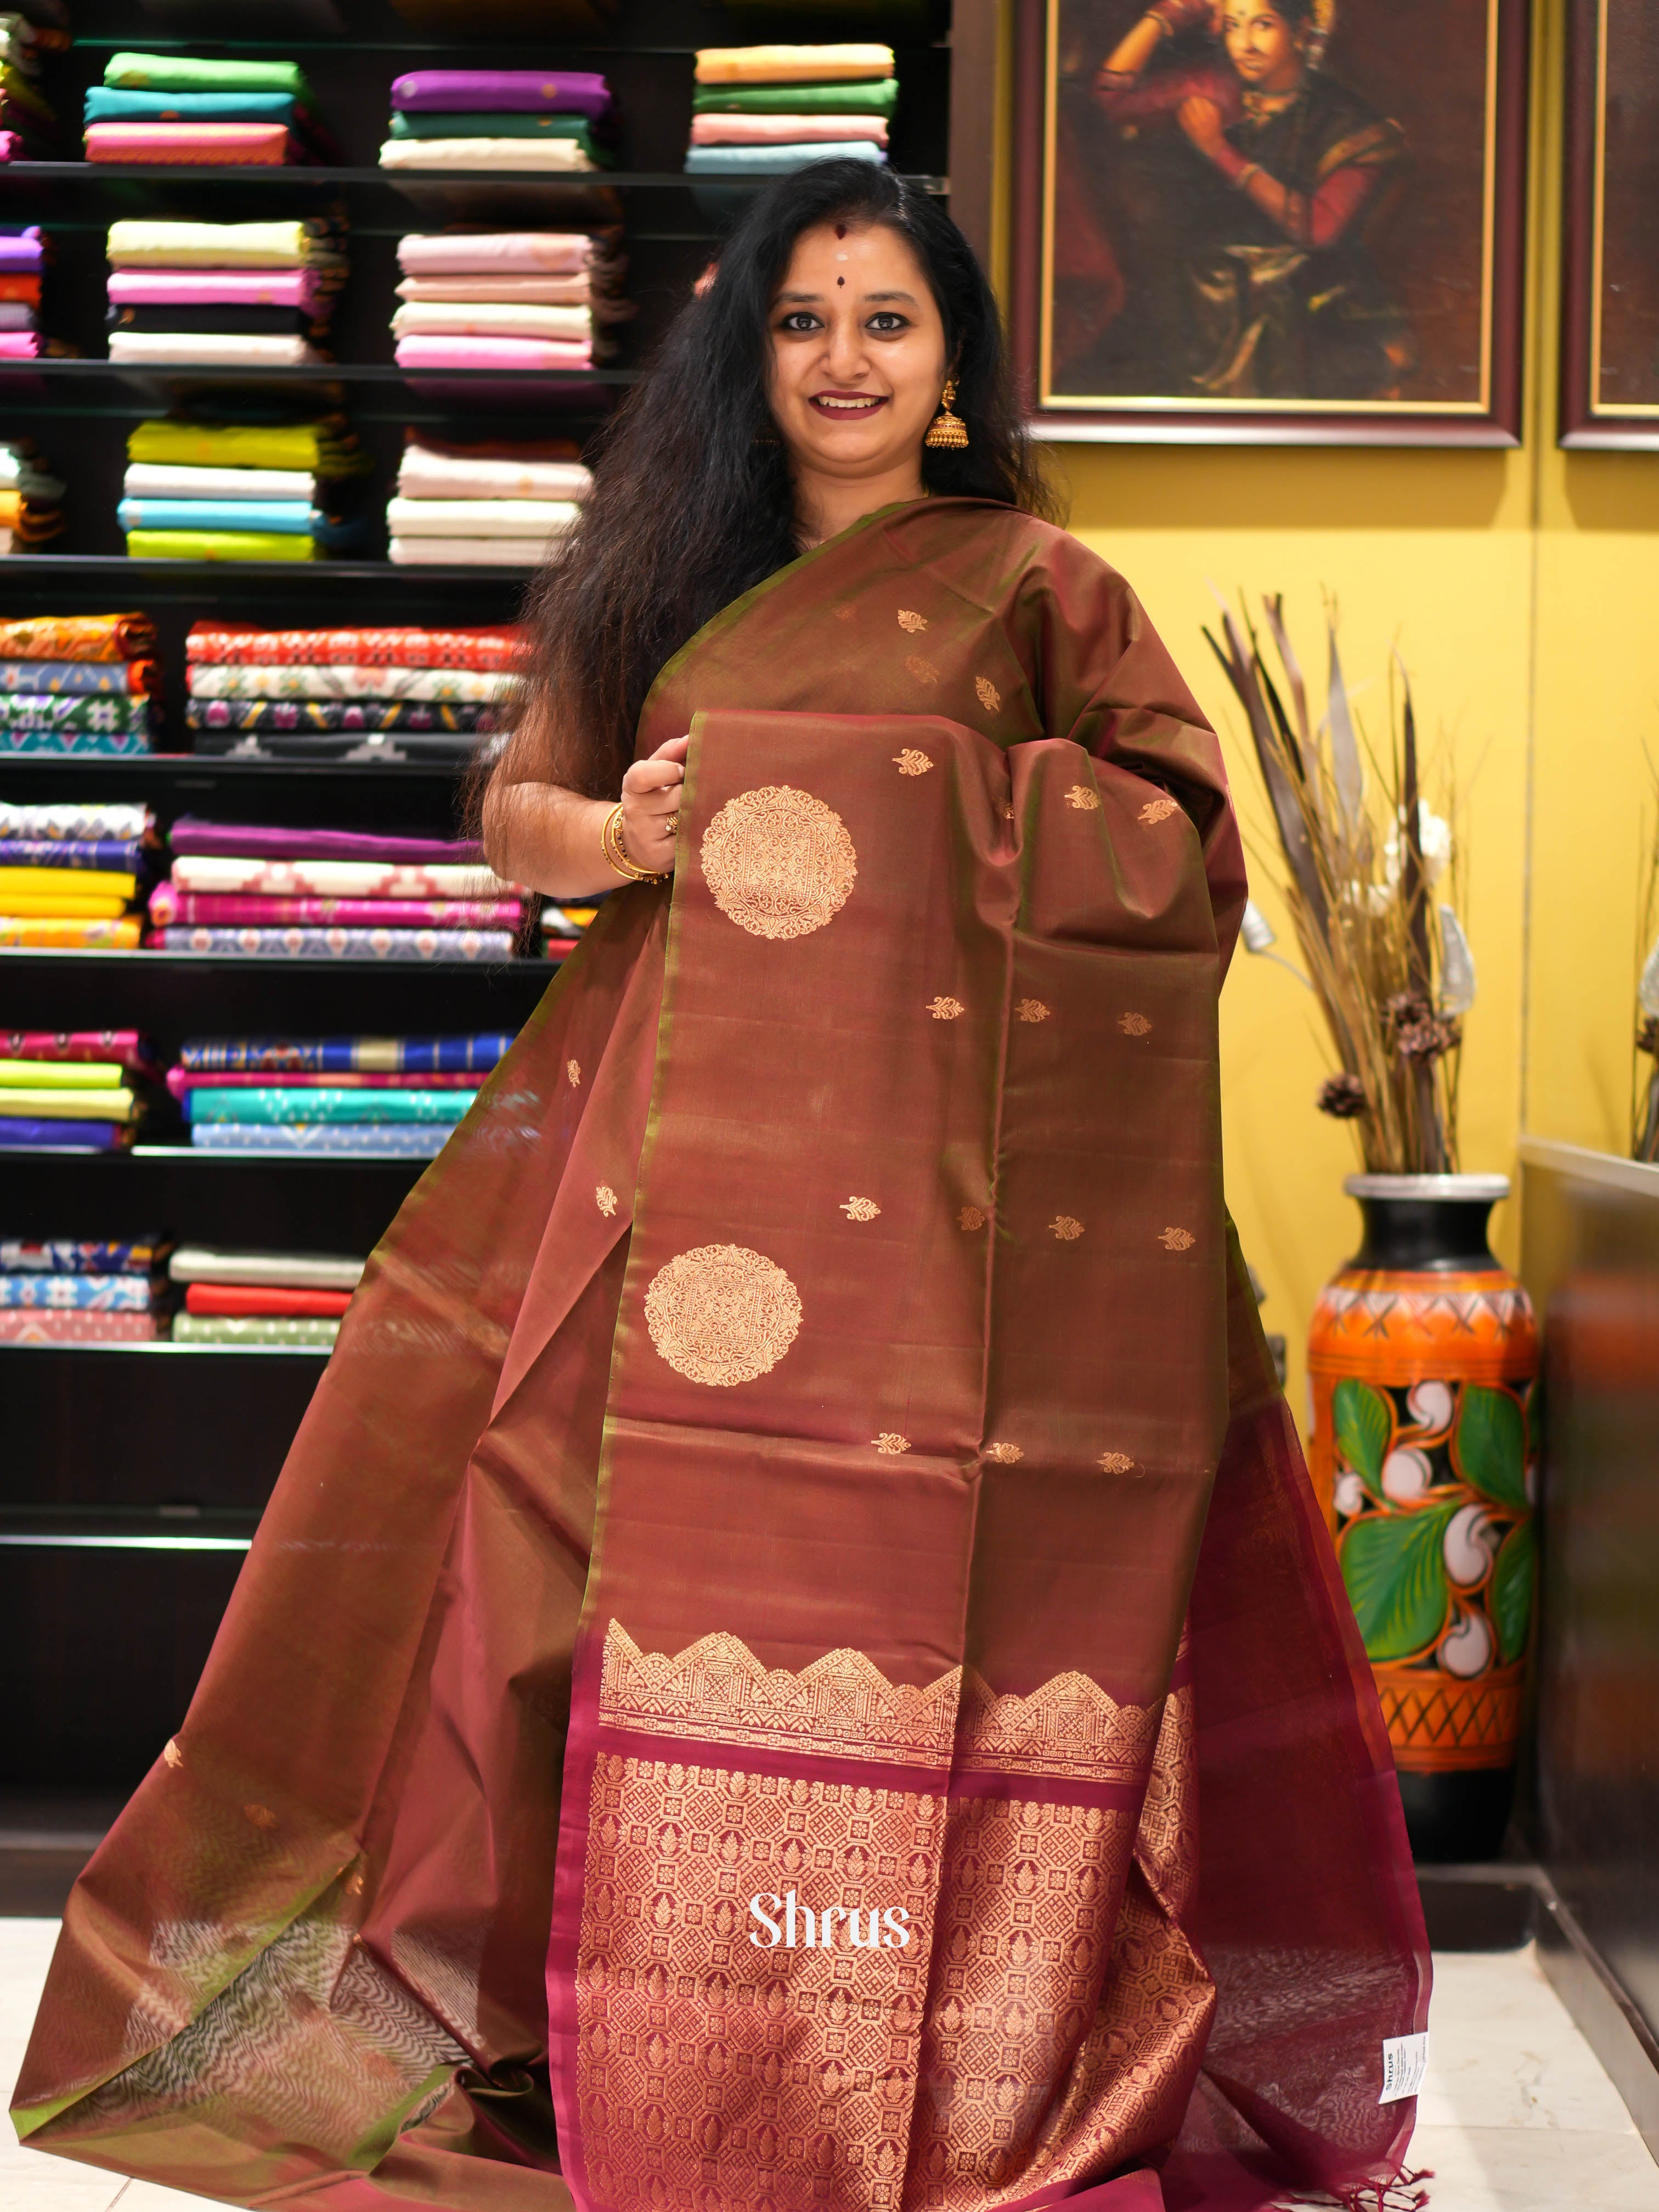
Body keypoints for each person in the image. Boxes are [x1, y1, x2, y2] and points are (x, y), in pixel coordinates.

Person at [14, 162, 1427, 2212]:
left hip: (937, 1213)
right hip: (649, 1160)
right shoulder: (661, 565)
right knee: (531, 1558)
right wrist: (628, 828)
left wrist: (950, 801)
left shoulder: (1035, 587)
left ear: (951, 365)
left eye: (885, 320)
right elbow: (513, 816)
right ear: (747, 351)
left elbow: (1179, 841)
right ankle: (546, 2017)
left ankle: (880, 2032)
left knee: (908, 1588)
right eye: (801, 319)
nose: (842, 359)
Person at [1089, 0, 1414, 399]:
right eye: (1232, 26)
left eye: (1262, 25)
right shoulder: (1215, 85)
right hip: (1205, 294)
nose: (1245, 44)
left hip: (1308, 298)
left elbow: (1318, 229)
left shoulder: (1348, 120)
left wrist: (1219, 151)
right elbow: (1110, 95)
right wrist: (1164, 17)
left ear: (1300, 31)